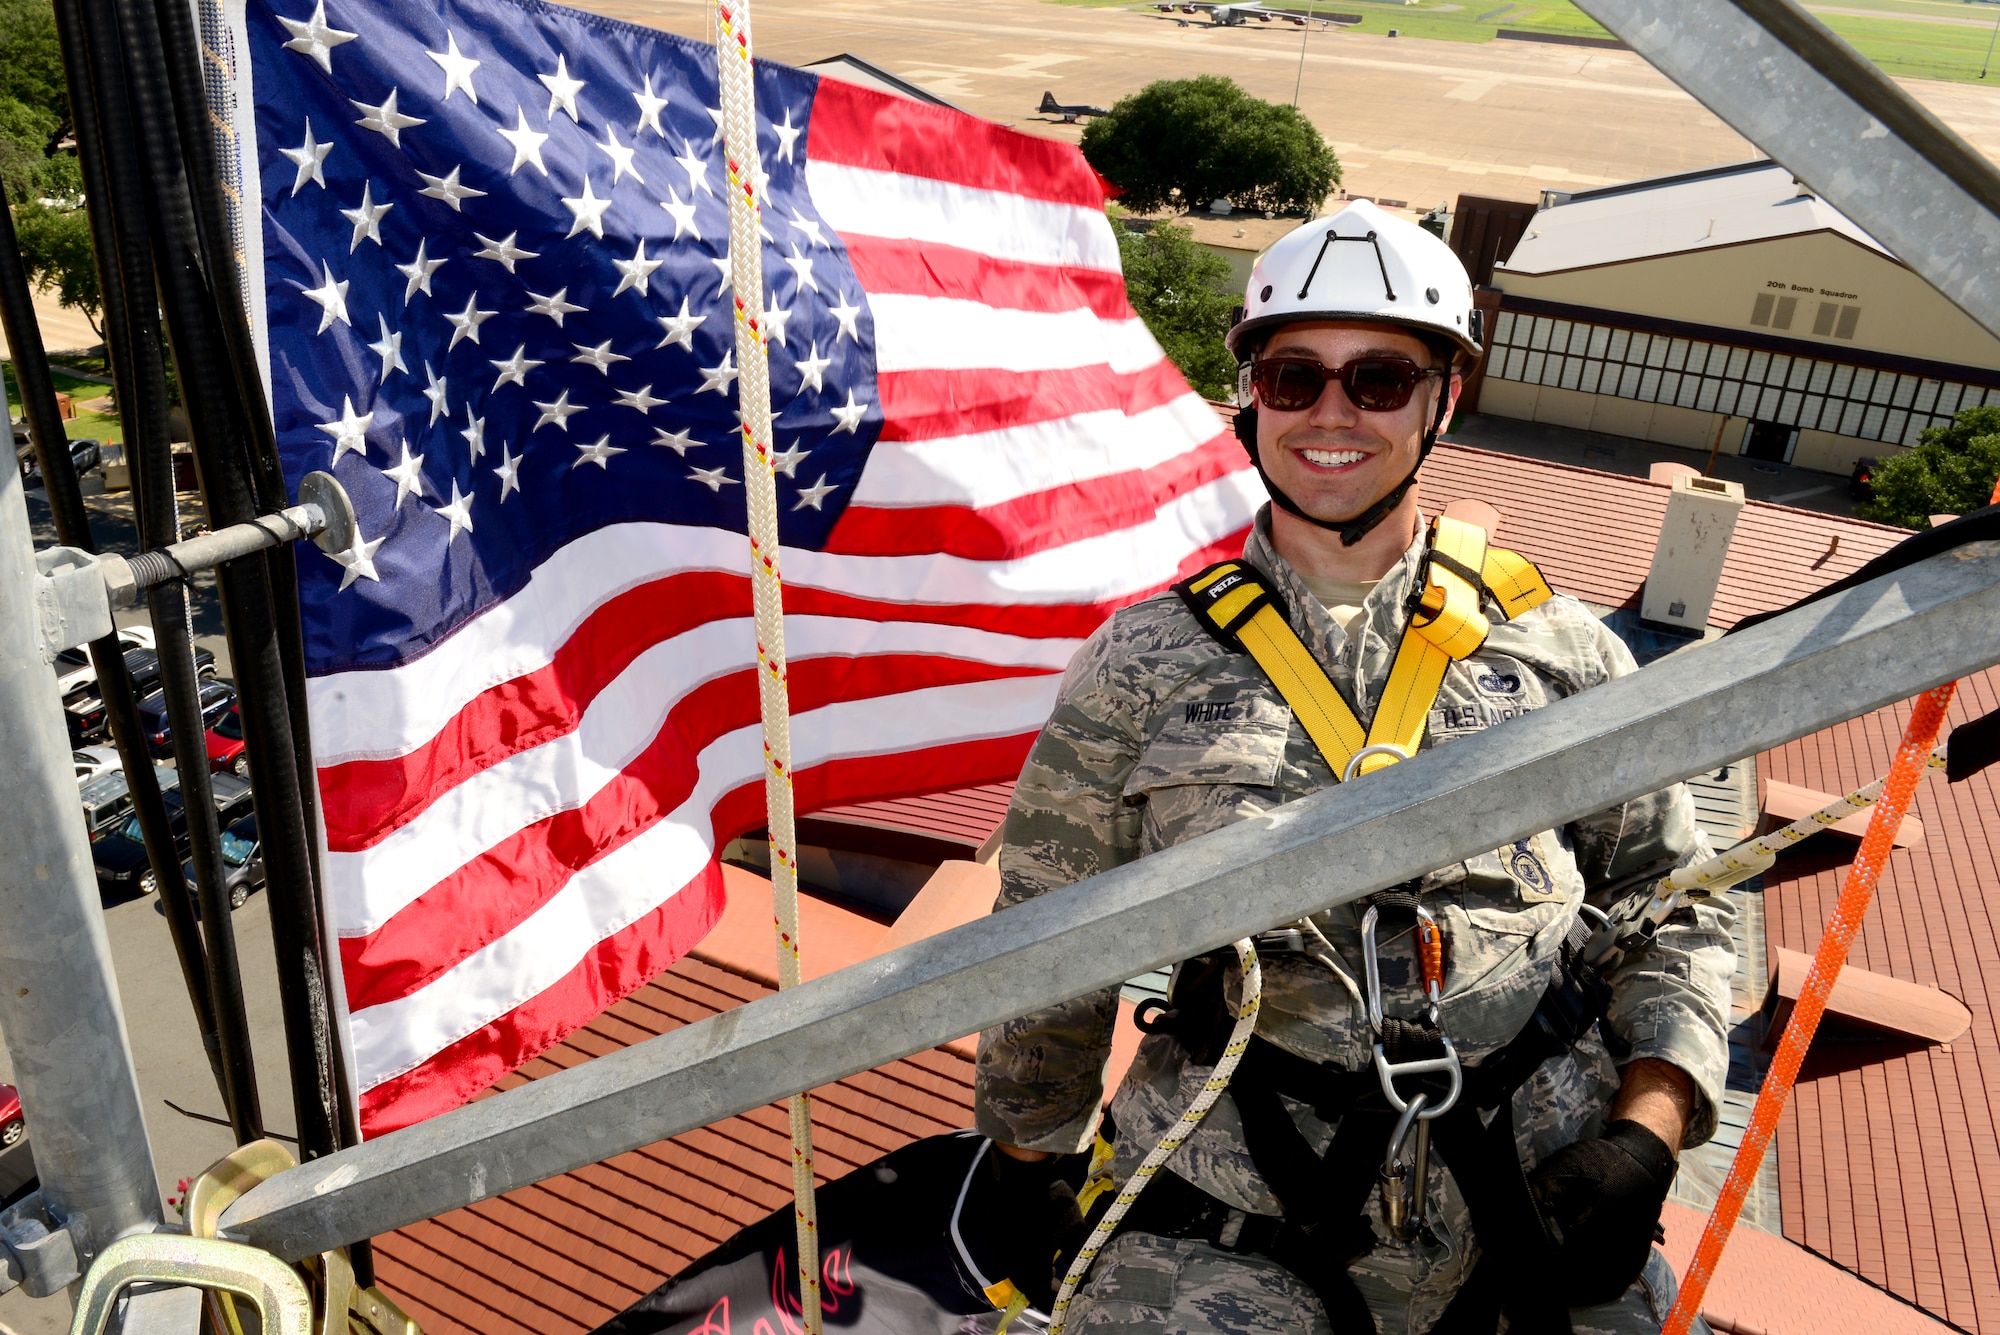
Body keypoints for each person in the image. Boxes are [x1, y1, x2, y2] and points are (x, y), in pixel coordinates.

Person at [971, 200, 1735, 1335]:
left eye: (1378, 379)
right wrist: (1031, 1155)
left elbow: (1669, 907)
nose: (1330, 413)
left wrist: (1649, 1128)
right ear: (1250, 399)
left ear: (1442, 398)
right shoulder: (1143, 663)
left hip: (1540, 1206)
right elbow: (1049, 935)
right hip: (1230, 1217)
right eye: (1292, 377)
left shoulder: (1558, 653)